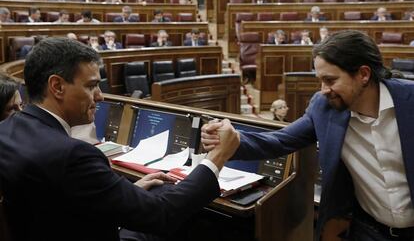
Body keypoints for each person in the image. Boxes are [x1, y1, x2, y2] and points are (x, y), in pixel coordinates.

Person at [0, 37, 239, 241]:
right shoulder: (72, 155)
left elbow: (59, 198)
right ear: (57, 87)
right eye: (92, 86)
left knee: (155, 190)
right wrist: (217, 157)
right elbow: (161, 215)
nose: (100, 96)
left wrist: (122, 192)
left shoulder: (7, 130)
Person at [202, 30, 414, 241]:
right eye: (320, 80)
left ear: (364, 74)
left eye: (330, 80)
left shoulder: (409, 99)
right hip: (369, 231)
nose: (323, 90)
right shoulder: (324, 107)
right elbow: (279, 141)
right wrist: (231, 140)